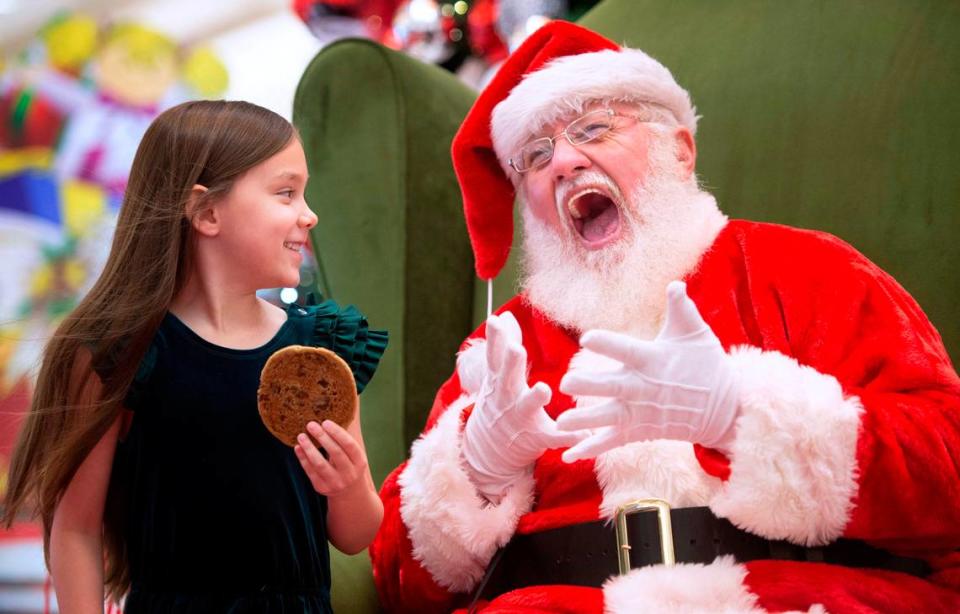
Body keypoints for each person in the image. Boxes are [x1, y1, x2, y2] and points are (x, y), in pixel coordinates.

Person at [369, 21, 960, 613]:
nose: (566, 162)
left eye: (593, 128)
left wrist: (740, 415)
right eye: (536, 156)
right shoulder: (502, 350)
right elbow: (396, 584)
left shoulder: (808, 271)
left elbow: (948, 475)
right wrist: (476, 467)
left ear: (680, 151)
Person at [3, 100, 388, 612]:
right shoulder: (119, 354)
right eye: (285, 193)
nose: (309, 213)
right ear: (207, 213)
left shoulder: (321, 349)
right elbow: (75, 530)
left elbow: (356, 534)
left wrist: (350, 481)